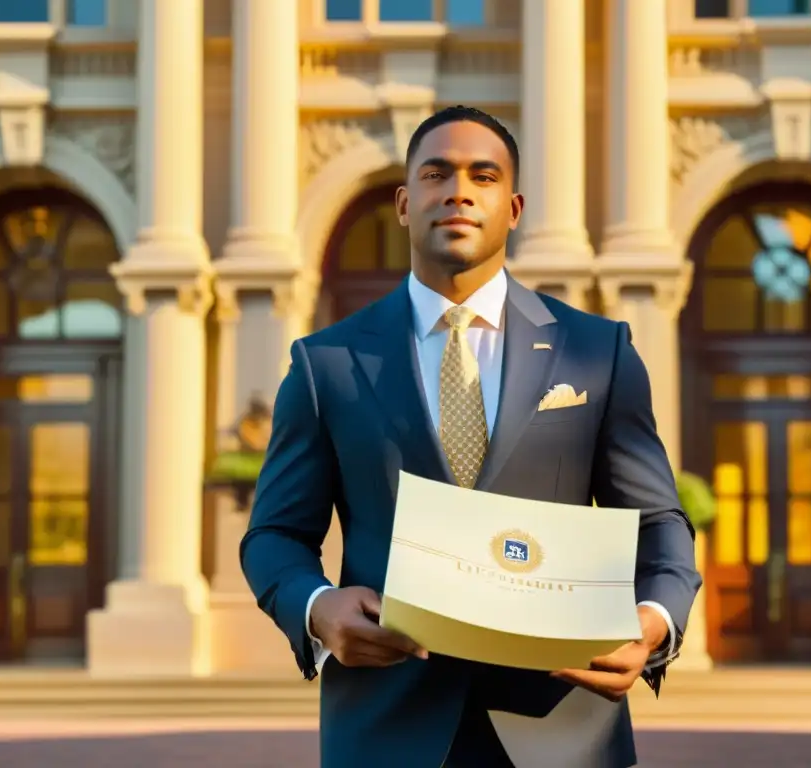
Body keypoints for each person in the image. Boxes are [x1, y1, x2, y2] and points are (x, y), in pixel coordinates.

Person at [241, 105, 701, 767]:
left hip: (563, 727)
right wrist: (317, 608)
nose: (457, 190)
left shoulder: (597, 353)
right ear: (403, 203)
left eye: (482, 176)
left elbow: (659, 521)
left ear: (513, 209)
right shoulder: (327, 364)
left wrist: (652, 622)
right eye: (436, 173)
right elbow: (274, 536)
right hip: (385, 729)